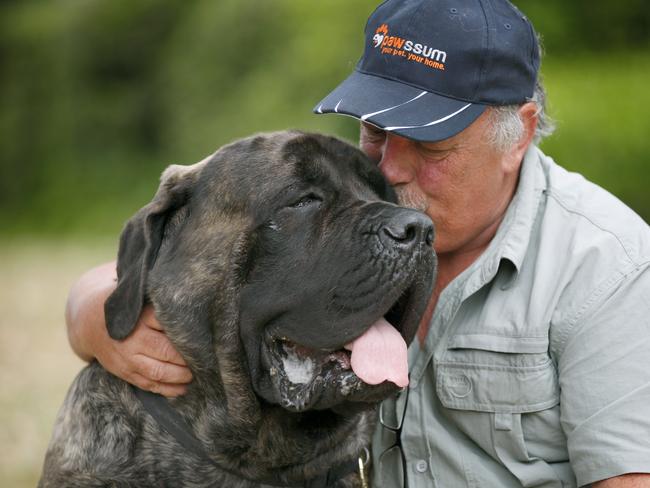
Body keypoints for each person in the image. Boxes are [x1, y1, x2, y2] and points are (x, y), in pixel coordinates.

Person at [66, 0, 650, 486]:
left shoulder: (607, 267)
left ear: (517, 134)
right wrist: (93, 316)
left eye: (430, 145)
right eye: (376, 130)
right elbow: (178, 254)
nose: (390, 169)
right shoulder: (363, 214)